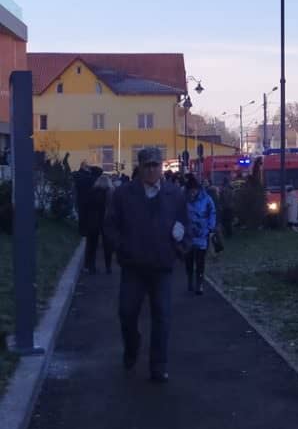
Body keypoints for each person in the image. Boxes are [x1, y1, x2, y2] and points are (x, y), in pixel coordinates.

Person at [105, 147, 188, 383]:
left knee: (162, 315)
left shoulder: (174, 195)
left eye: (156, 165)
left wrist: (180, 245)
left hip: (162, 266)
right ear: (139, 168)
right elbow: (110, 226)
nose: (152, 170)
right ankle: (132, 346)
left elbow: (185, 225)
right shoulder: (123, 195)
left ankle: (158, 366)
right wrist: (122, 247)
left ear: (161, 167)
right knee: (126, 312)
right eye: (147, 165)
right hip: (133, 267)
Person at [184, 175, 216, 295]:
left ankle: (199, 283)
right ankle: (190, 280)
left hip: (202, 234)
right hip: (188, 235)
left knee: (200, 261)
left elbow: (212, 213)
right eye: (190, 190)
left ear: (198, 189)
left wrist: (209, 228)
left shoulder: (206, 199)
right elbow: (180, 214)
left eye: (194, 190)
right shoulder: (184, 199)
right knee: (189, 260)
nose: (192, 192)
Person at [85, 175, 114, 274]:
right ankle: (108, 267)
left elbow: (87, 206)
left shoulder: (92, 191)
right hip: (106, 221)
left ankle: (91, 266)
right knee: (107, 245)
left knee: (92, 244)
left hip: (93, 220)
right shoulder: (110, 192)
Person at [73, 160, 97, 238]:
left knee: (82, 215)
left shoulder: (78, 175)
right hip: (89, 199)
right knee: (86, 216)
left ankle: (82, 231)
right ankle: (85, 231)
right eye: (87, 166)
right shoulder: (90, 177)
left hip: (81, 198)